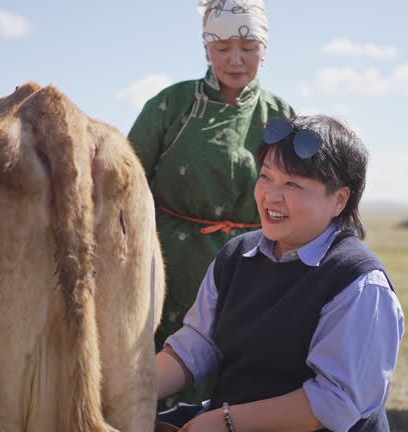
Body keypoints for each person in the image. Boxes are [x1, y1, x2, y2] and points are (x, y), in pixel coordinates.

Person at [155, 115, 405, 432]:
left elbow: (333, 404)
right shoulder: (235, 257)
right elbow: (196, 347)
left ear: (339, 199)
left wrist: (223, 421)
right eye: (266, 177)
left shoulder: (357, 282)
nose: (271, 196)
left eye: (293, 184)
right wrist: (119, 393)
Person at [128, 0, 294, 407]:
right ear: (206, 49)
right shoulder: (171, 105)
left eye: (248, 47)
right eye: (222, 48)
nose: (235, 59)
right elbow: (125, 182)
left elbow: (297, 195)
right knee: (168, 367)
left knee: (244, 372)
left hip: (253, 267)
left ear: (264, 50)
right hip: (170, 267)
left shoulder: (281, 116)